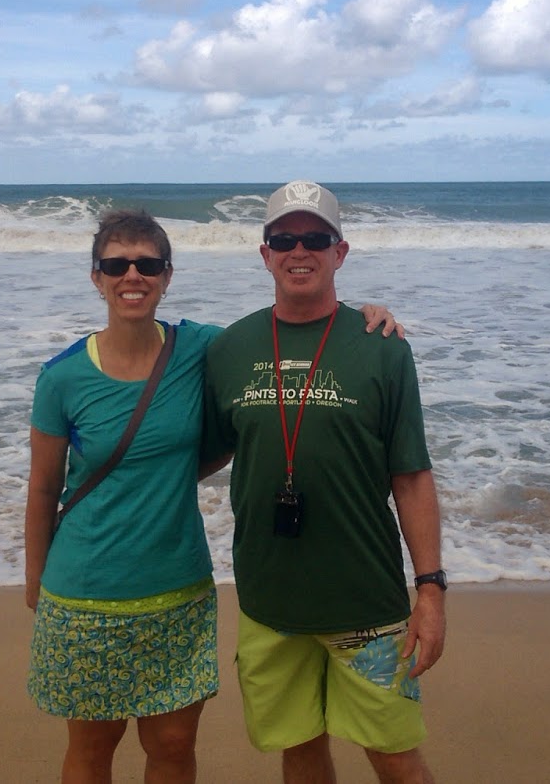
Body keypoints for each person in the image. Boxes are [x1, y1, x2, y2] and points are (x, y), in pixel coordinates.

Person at [24, 208, 403, 783]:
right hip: (83, 590)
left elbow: (285, 332)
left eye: (148, 264)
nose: (133, 276)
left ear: (167, 275)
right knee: (93, 746)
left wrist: (364, 317)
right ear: (96, 277)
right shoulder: (61, 378)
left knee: (173, 745)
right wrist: (35, 582)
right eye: (116, 265)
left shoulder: (201, 348)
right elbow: (43, 488)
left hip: (178, 587)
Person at [201, 181, 446, 784]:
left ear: (340, 252)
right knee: (300, 748)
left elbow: (411, 475)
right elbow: (197, 451)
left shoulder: (382, 346)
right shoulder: (230, 347)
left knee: (395, 756)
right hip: (268, 603)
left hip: (365, 601)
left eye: (315, 238)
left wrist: (432, 590)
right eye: (284, 238)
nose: (299, 250)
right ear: (265, 254)